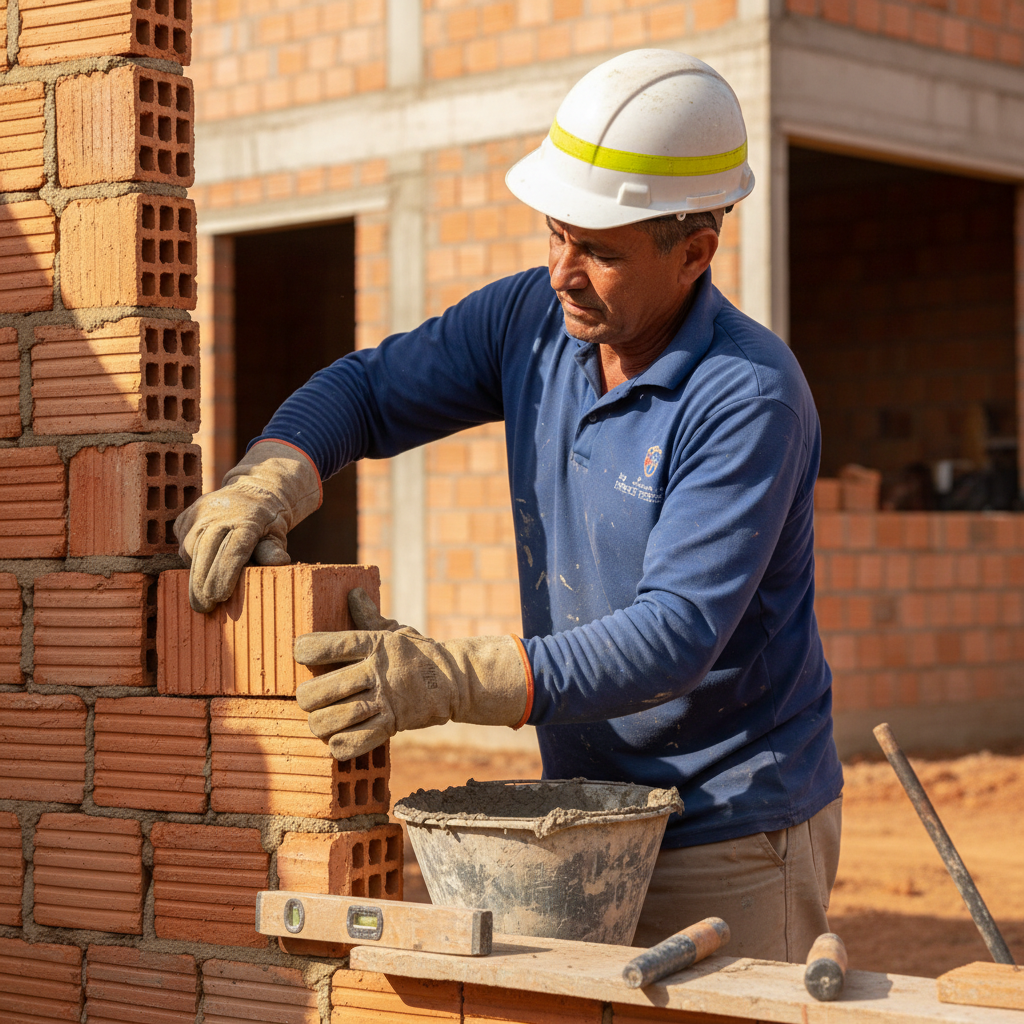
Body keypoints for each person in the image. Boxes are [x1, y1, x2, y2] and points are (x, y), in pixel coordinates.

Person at [175, 49, 843, 962]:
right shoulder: (535, 323)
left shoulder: (745, 397)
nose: (563, 271)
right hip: (579, 806)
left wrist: (449, 680)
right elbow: (368, 392)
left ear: (695, 250)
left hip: (729, 819)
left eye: (600, 252)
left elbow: (676, 633)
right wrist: (273, 474)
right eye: (556, 234)